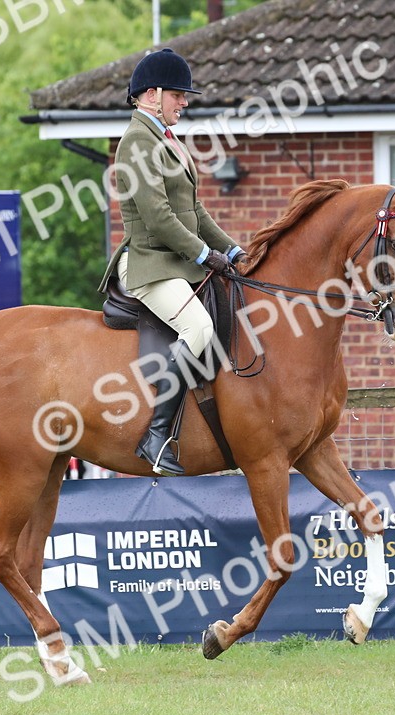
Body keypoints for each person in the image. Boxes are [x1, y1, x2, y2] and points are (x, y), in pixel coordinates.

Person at [97, 48, 246, 477]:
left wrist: (234, 252)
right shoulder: (136, 143)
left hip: (175, 264)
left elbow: (195, 213)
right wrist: (203, 254)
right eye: (179, 95)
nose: (185, 102)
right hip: (148, 264)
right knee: (197, 327)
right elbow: (160, 219)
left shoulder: (167, 140)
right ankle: (157, 437)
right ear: (152, 94)